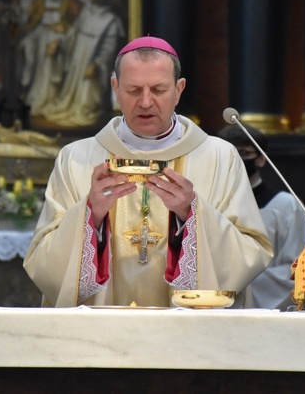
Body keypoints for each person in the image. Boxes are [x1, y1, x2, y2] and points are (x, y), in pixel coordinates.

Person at [24, 36, 273, 307]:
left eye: (158, 90)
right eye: (133, 90)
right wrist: (90, 214)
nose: (145, 102)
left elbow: (251, 253)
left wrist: (191, 213)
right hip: (99, 332)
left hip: (189, 337)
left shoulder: (219, 157)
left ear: (178, 90)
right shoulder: (75, 159)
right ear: (115, 88)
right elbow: (43, 264)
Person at [218, 123, 305, 310]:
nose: (236, 162)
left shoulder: (285, 205)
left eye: (243, 154)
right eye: (230, 155)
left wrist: (238, 284)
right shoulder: (211, 203)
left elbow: (296, 269)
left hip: (266, 307)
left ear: (261, 159)